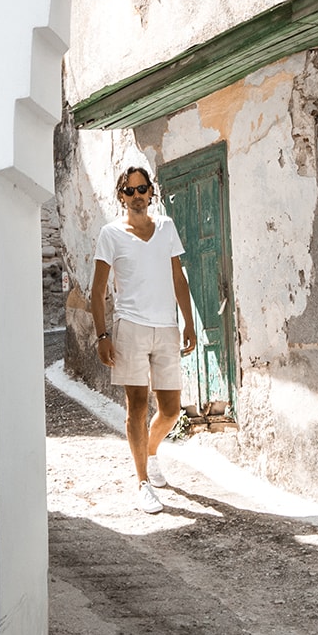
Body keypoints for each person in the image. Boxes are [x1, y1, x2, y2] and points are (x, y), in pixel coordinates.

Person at [91, 166, 196, 513]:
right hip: (129, 327)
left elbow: (178, 278)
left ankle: (150, 453)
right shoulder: (111, 234)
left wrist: (189, 322)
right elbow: (97, 290)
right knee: (136, 406)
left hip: (165, 327)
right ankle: (142, 483)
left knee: (169, 410)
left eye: (142, 189)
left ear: (151, 193)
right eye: (130, 190)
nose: (137, 196)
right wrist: (103, 334)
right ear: (121, 196)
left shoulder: (166, 228)